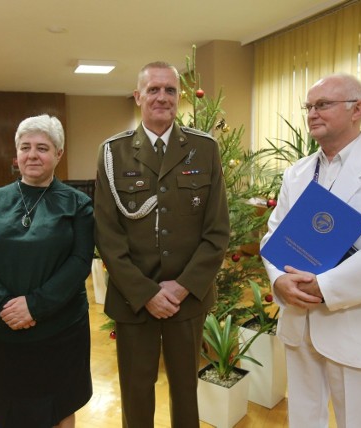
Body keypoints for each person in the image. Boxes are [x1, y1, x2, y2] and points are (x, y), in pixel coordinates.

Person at [260, 73, 361, 428]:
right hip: (299, 319)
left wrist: (324, 287)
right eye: (309, 107)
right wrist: (279, 283)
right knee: (303, 416)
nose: (312, 113)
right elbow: (273, 236)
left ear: (357, 109)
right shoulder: (297, 174)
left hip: (352, 321)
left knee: (356, 422)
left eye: (323, 105)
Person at [94, 61, 230, 428]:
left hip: (187, 298)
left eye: (170, 90)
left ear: (178, 97)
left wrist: (182, 286)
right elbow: (107, 235)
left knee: (186, 388)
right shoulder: (113, 153)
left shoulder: (204, 150)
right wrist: (146, 292)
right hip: (133, 298)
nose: (162, 97)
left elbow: (217, 231)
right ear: (138, 97)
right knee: (136, 390)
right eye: (153, 89)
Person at [0, 114, 94, 428]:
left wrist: (34, 305)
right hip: (2, 328)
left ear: (58, 154)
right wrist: (8, 306)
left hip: (60, 329)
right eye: (26, 147)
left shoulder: (78, 204)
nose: (33, 154)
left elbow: (79, 262)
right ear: (16, 155)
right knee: (8, 408)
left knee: (60, 406)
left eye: (43, 148)